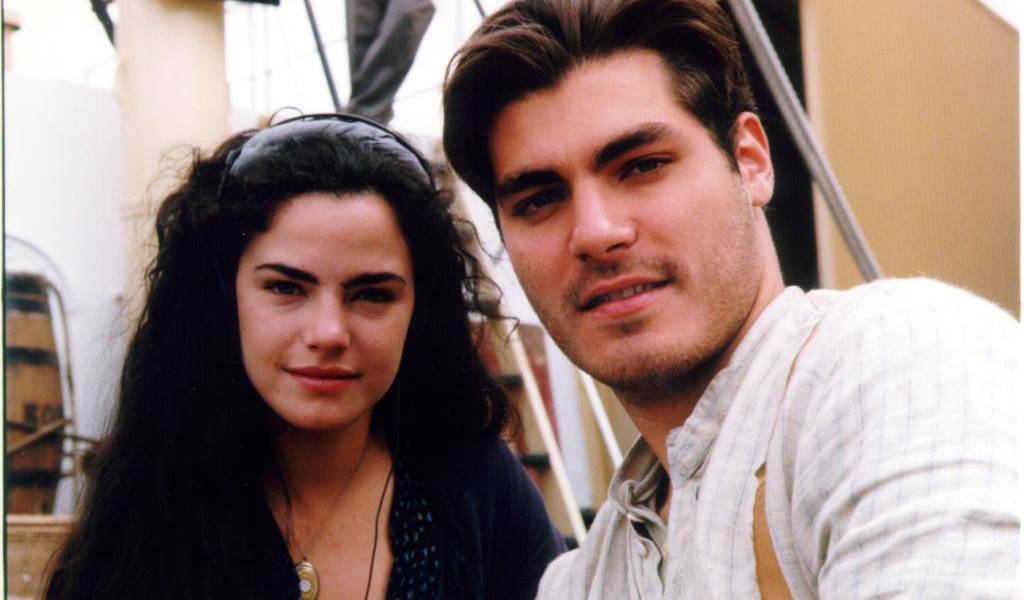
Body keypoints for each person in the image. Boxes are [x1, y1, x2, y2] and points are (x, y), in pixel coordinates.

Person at [442, 0, 1022, 598]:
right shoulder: (581, 582)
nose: (594, 232)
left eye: (642, 166)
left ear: (751, 161)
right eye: (539, 200)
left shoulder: (904, 363)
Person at [44, 113, 565, 599]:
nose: (328, 333)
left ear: (419, 312)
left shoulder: (483, 490)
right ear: (224, 299)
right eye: (287, 287)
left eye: (372, 294)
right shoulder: (148, 495)